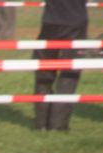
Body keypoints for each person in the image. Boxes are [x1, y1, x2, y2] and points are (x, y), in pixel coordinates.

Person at [33, 0, 88, 131]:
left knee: (44, 71)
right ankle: (58, 125)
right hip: (76, 22)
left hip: (51, 22)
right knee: (69, 73)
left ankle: (42, 123)